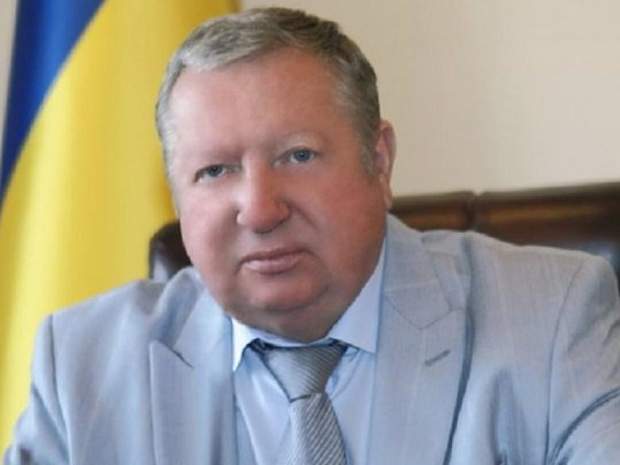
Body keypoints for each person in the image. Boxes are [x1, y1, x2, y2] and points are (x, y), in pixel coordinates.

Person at [4, 7, 620, 465]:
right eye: (214, 171)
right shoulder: (84, 367)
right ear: (177, 198)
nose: (260, 210)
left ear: (379, 161)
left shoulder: (550, 321)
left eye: (297, 156)